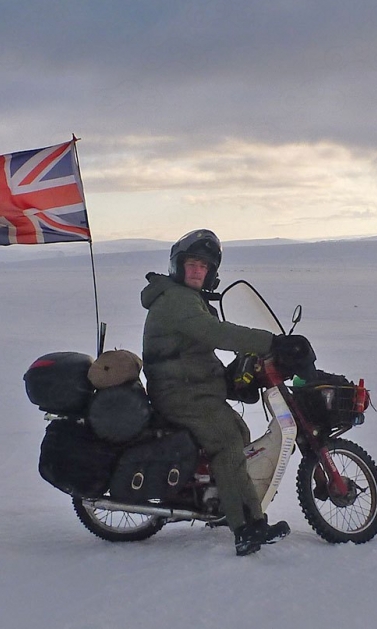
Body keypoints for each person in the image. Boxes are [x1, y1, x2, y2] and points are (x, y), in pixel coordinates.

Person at [139, 229, 311, 556]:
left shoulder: (187, 297)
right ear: (178, 266)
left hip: (193, 389)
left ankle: (220, 500)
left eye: (203, 266)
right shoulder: (177, 300)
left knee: (239, 430)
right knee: (228, 444)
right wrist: (271, 343)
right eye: (191, 264)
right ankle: (246, 528)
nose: (197, 271)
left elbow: (197, 348)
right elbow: (215, 333)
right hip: (181, 394)